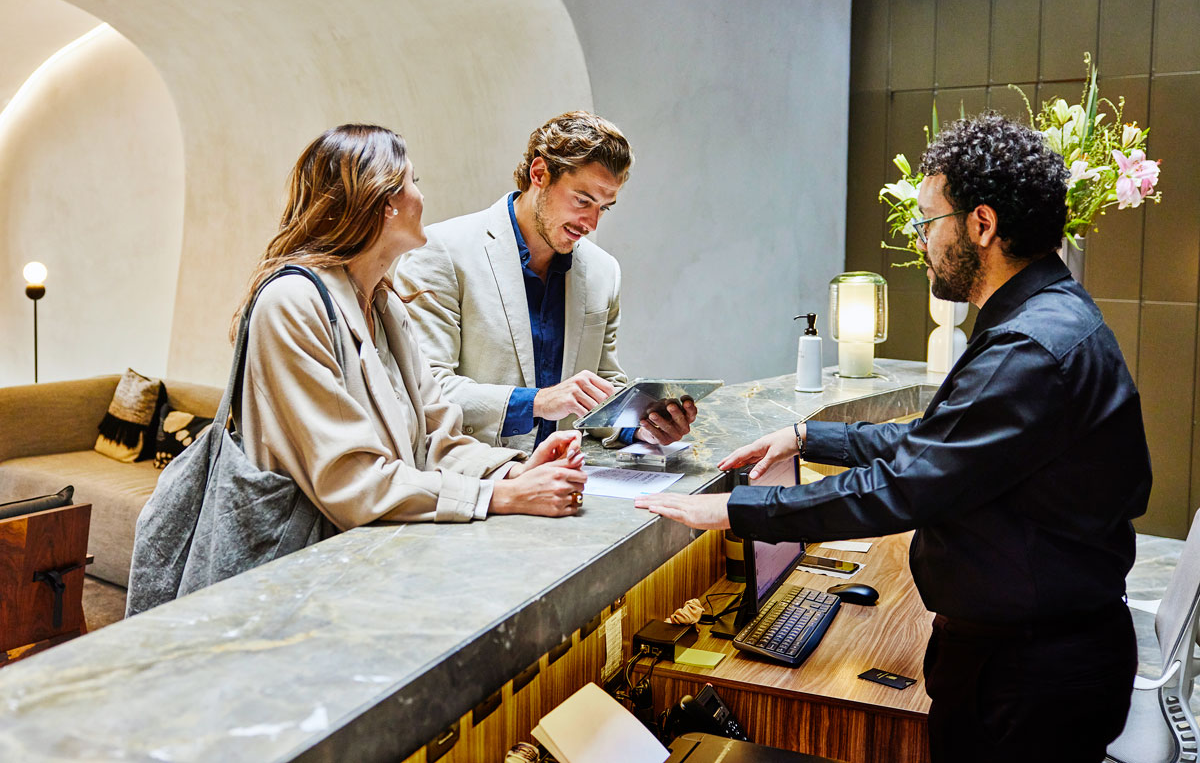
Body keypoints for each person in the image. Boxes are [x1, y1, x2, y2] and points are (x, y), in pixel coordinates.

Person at [636, 113, 1152, 763]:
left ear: (982, 225)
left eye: (927, 224)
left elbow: (907, 485)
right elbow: (943, 443)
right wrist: (808, 437)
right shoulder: (1049, 315)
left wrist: (735, 509)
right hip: (1043, 656)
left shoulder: (1028, 348)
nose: (922, 244)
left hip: (1028, 677)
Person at [235, 124, 590, 530]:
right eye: (412, 182)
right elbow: (350, 480)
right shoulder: (293, 303)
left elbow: (435, 437)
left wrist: (513, 473)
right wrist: (500, 496)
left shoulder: (386, 305)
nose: (421, 196)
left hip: (378, 552)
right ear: (382, 201)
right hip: (305, 563)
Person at [394, 110, 695, 450]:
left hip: (571, 478)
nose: (591, 223)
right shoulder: (442, 252)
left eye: (604, 207)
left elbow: (603, 385)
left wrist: (640, 424)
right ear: (539, 174)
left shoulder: (603, 271)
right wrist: (539, 402)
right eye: (583, 201)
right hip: (476, 480)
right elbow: (428, 390)